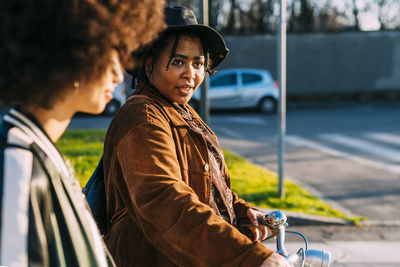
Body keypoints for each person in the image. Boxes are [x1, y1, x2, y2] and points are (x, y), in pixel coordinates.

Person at [102, 6, 289, 266]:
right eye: (178, 62)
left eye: (198, 63)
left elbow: (212, 189)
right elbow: (166, 203)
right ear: (149, 63)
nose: (191, 74)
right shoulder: (143, 118)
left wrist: (244, 213)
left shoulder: (181, 110)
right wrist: (250, 258)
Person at [0, 0, 164, 266]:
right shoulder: (19, 163)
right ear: (73, 52)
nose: (118, 73)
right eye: (112, 52)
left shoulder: (38, 153)